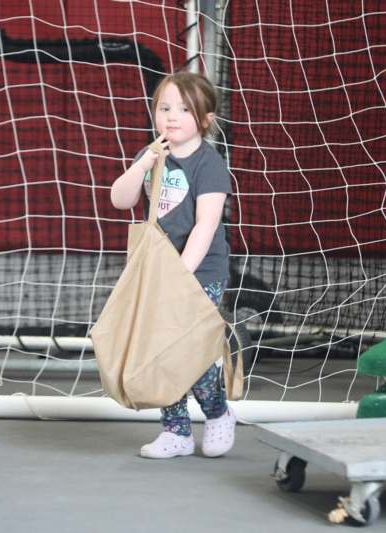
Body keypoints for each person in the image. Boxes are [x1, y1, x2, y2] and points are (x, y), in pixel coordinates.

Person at [110, 71, 236, 459]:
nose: (172, 116)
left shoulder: (208, 164)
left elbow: (205, 225)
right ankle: (176, 429)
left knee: (191, 350)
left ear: (205, 120)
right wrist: (142, 164)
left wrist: (180, 277)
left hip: (200, 271)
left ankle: (217, 412)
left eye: (184, 109)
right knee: (161, 349)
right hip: (156, 271)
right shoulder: (153, 155)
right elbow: (120, 198)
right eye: (164, 108)